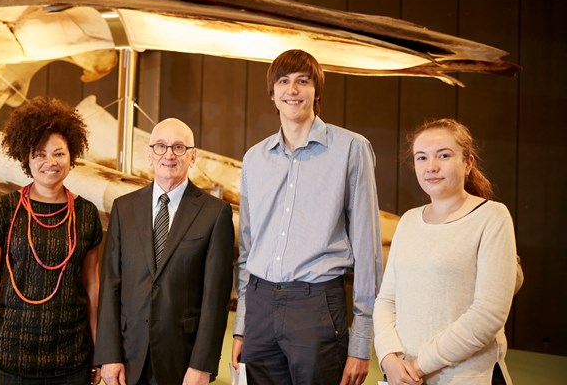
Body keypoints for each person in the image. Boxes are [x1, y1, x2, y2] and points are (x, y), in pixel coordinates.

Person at [232, 49, 383, 385]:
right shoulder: (254, 159)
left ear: (317, 91)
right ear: (272, 93)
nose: (292, 90)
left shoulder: (351, 149)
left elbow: (368, 250)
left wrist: (361, 342)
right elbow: (247, 249)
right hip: (259, 304)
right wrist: (242, 325)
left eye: (303, 81)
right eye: (283, 82)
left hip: (316, 306)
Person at [373, 118, 519, 385]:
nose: (431, 167)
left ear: (468, 163)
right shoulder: (408, 221)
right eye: (422, 157)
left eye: (444, 155)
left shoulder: (492, 217)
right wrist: (388, 359)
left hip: (467, 377)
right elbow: (386, 300)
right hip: (402, 376)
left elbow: (488, 314)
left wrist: (419, 365)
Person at [0, 97, 103, 384]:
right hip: (9, 358)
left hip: (72, 361)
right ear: (25, 157)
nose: (50, 163)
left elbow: (93, 287)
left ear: (72, 156)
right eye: (40, 154)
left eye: (59, 153)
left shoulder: (86, 213)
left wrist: (99, 351)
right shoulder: (2, 211)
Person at [95, 118, 235, 385]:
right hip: (128, 357)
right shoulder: (124, 209)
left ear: (193, 156)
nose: (169, 154)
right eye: (160, 146)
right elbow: (111, 284)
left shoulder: (215, 214)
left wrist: (202, 365)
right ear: (149, 154)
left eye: (179, 147)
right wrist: (109, 356)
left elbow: (215, 298)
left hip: (183, 362)